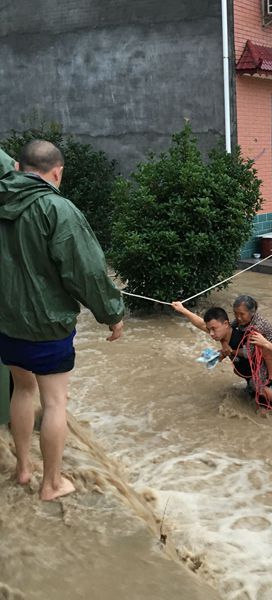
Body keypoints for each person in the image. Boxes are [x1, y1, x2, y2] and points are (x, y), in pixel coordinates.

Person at [0, 140, 125, 501]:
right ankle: (51, 484)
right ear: (58, 172)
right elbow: (87, 272)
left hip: (7, 324)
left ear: (20, 167)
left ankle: (23, 469)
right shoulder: (58, 209)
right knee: (55, 402)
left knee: (22, 389)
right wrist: (113, 315)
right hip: (47, 325)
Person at [171, 297, 272, 410]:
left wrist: (229, 351)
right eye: (209, 329)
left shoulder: (250, 334)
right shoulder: (223, 331)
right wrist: (182, 310)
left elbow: (251, 352)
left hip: (269, 385)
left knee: (262, 411)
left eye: (213, 329)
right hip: (255, 379)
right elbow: (202, 324)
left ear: (225, 324)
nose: (211, 333)